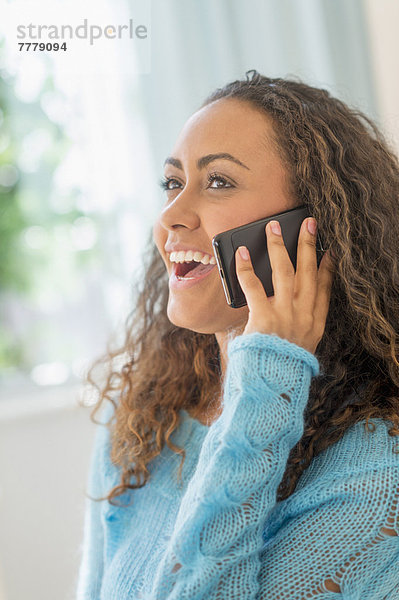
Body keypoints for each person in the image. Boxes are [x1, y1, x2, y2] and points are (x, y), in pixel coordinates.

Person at [75, 70, 399, 599]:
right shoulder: (142, 418)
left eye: (218, 182)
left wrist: (269, 372)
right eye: (173, 183)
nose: (172, 216)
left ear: (311, 228)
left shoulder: (376, 476)